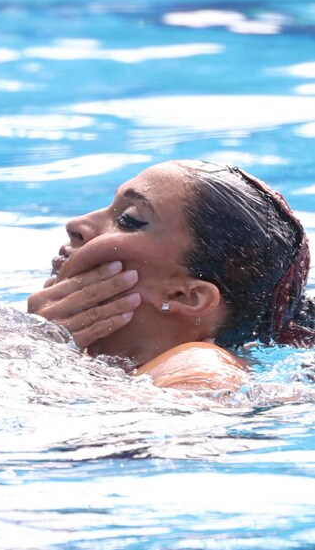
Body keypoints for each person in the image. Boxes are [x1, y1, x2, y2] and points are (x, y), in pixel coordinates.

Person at [28, 160, 315, 391]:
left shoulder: (199, 365)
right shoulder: (128, 371)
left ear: (188, 296)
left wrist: (33, 354)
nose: (76, 224)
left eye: (129, 219)